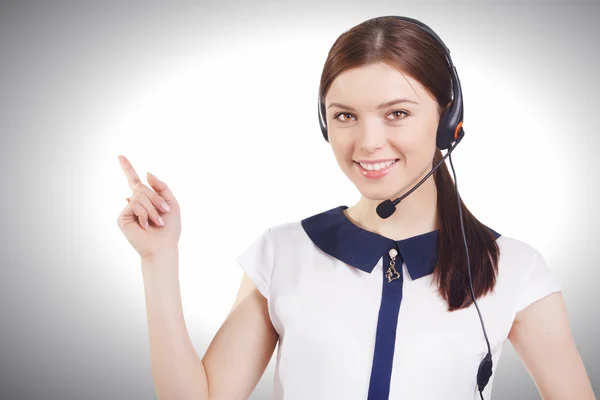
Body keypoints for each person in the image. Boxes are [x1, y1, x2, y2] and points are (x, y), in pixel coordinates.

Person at [116, 16, 596, 400]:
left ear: (448, 118)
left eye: (397, 113)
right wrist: (158, 259)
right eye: (345, 116)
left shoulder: (514, 268)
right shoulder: (284, 251)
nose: (367, 143)